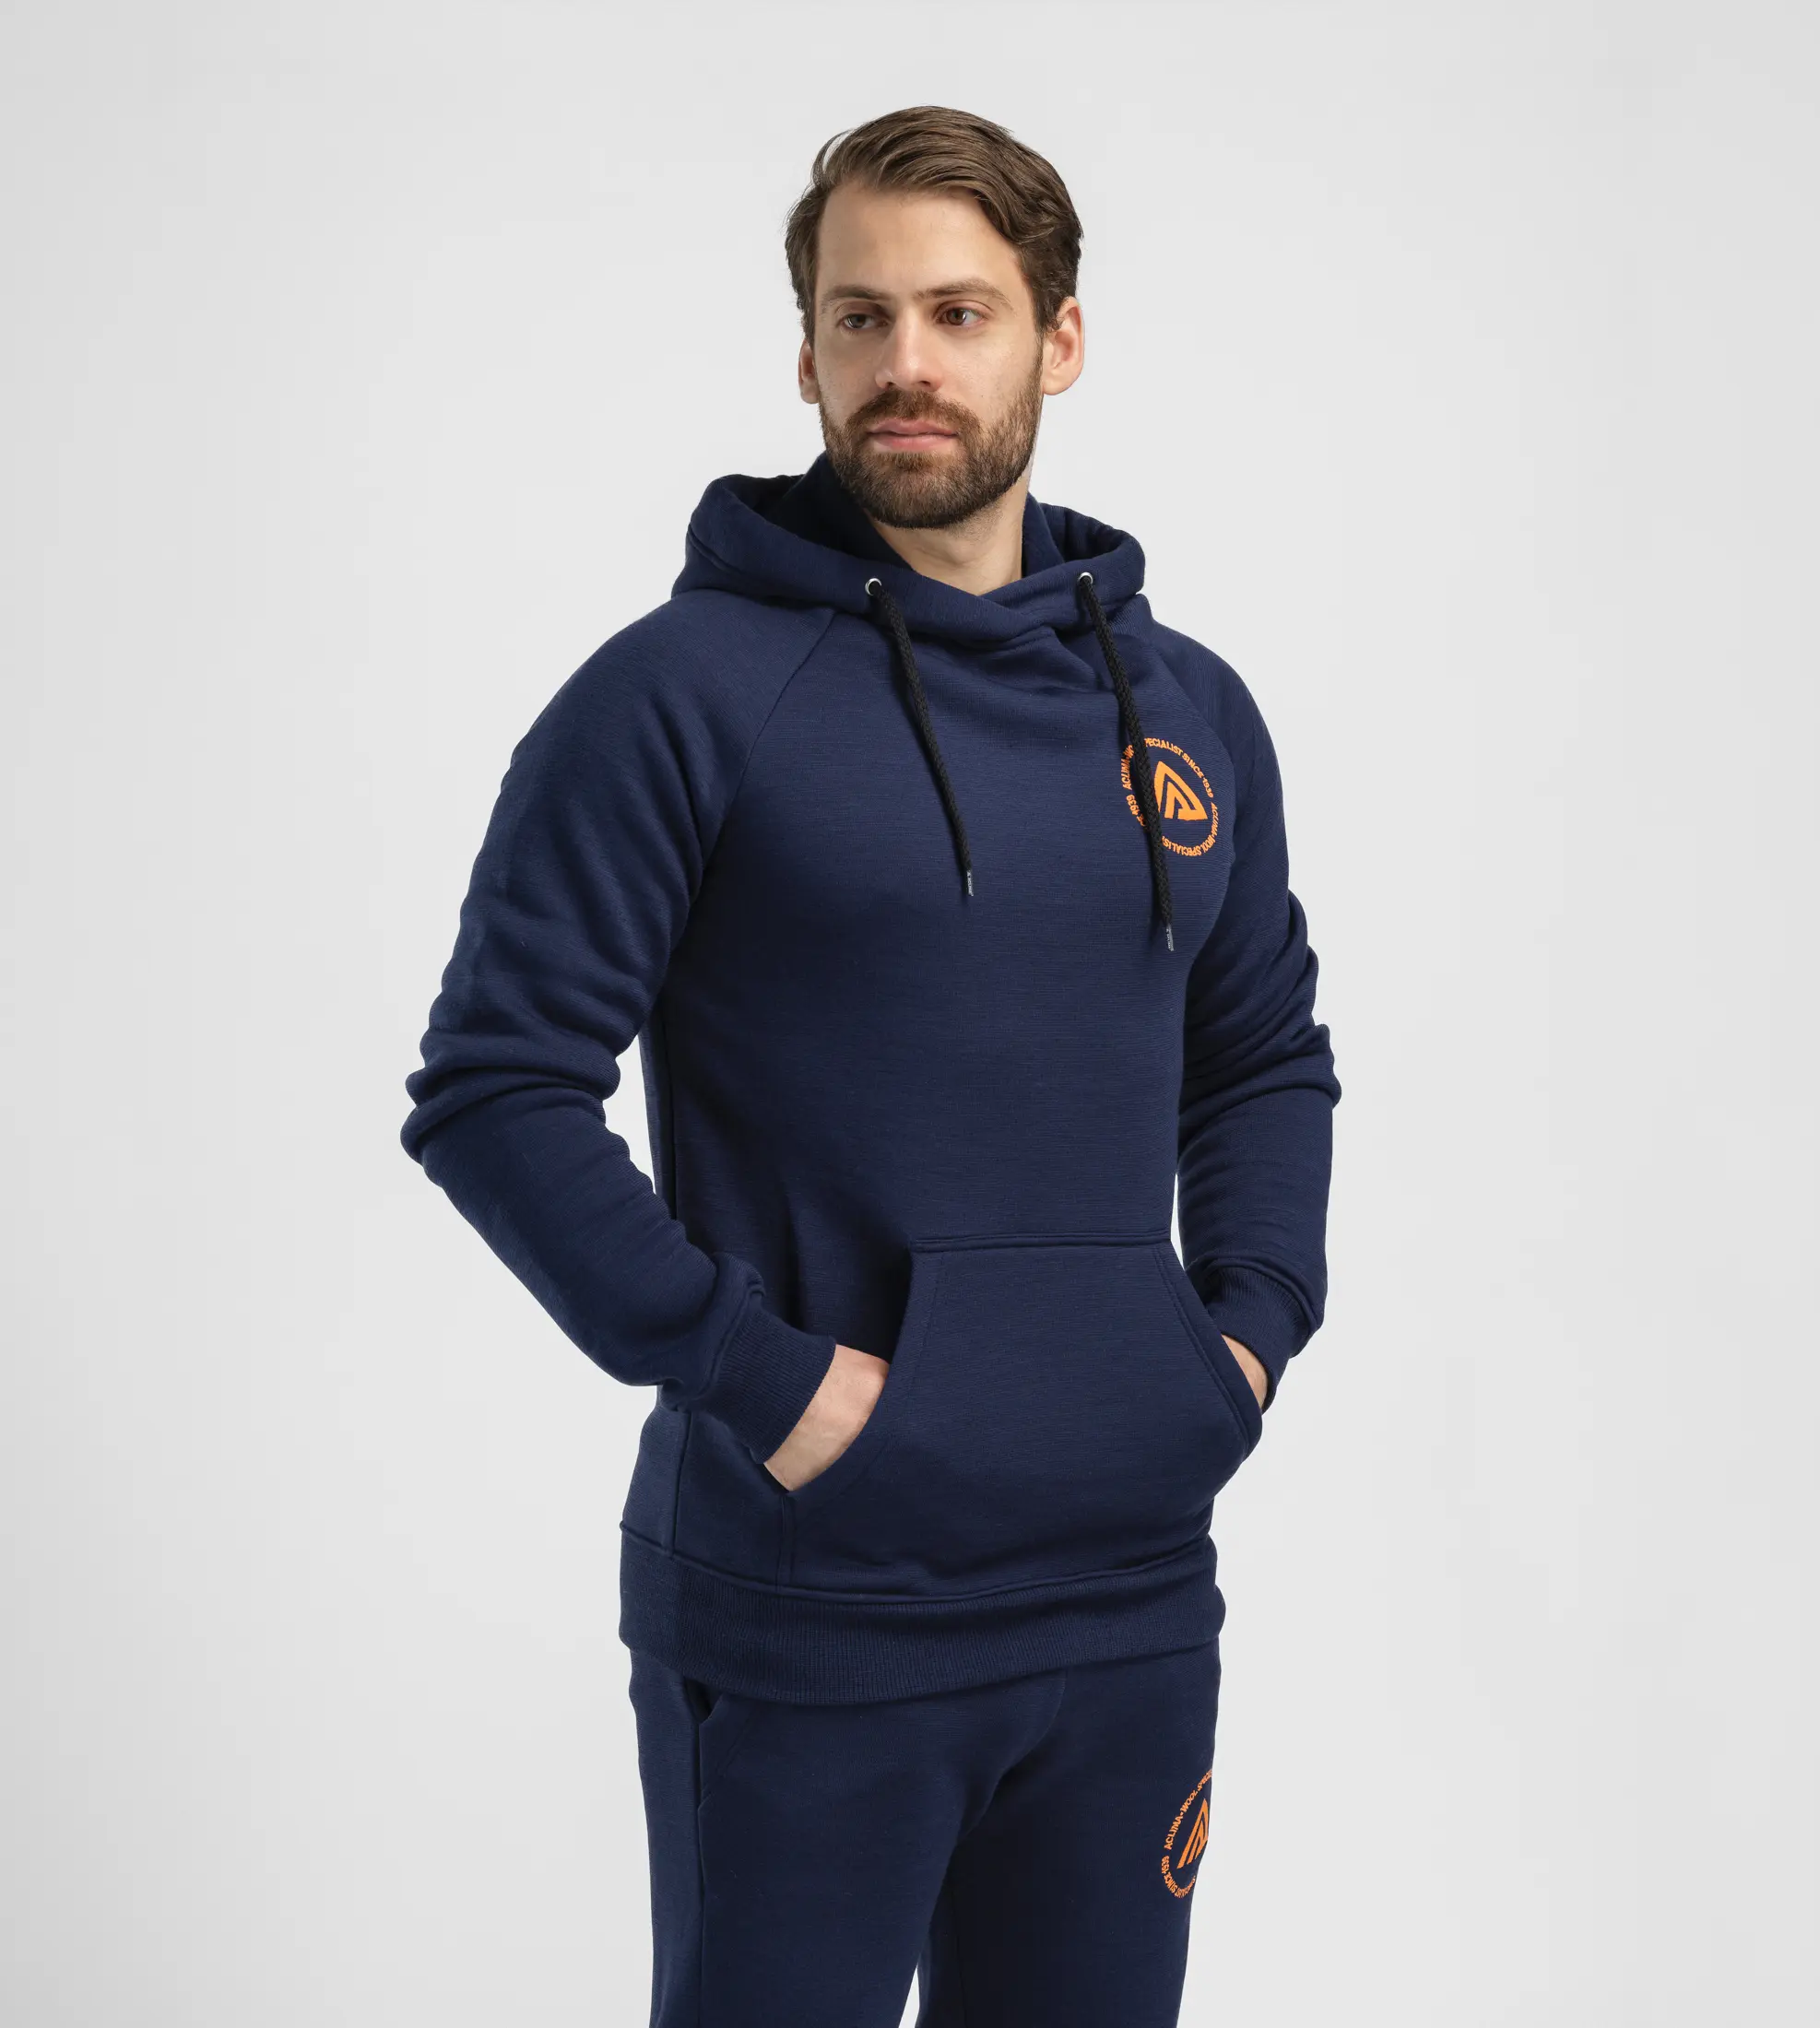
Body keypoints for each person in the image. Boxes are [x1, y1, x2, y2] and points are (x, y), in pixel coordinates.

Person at [400, 103, 1339, 2028]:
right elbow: (496, 1087)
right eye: (860, 317)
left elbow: (1259, 1053)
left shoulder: (1189, 709)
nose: (907, 362)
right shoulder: (678, 696)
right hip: (811, 1600)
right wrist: (775, 1386)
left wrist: (1241, 1338)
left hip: (1131, 1593)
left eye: (958, 313)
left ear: (1057, 341)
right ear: (809, 353)